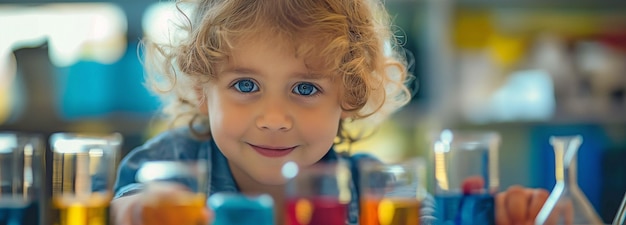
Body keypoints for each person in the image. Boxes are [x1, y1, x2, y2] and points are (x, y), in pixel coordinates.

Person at [110, 0, 549, 225]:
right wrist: (142, 211)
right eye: (246, 86)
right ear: (203, 90)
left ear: (348, 97)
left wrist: (496, 213)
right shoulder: (170, 167)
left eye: (305, 88)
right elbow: (126, 206)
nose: (275, 118)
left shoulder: (375, 189)